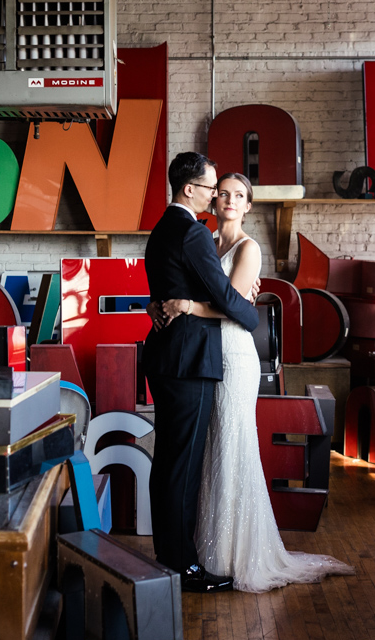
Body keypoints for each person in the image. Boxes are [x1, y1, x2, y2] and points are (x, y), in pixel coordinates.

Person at [155, 173, 355, 593]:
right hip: (203, 354)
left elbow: (231, 308)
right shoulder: (203, 242)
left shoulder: (249, 247)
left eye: (238, 195)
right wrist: (168, 304)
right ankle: (206, 550)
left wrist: (188, 305)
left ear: (249, 205)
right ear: (212, 199)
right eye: (222, 192)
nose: (228, 199)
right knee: (207, 453)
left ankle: (235, 553)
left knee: (232, 446)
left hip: (233, 354)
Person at [142, 152, 260, 593]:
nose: (216, 195)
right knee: (183, 466)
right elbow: (227, 300)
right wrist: (252, 315)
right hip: (189, 360)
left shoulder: (163, 228)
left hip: (172, 355)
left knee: (172, 463)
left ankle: (168, 556)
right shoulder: (193, 232)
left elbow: (173, 290)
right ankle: (182, 566)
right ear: (189, 189)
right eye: (212, 187)